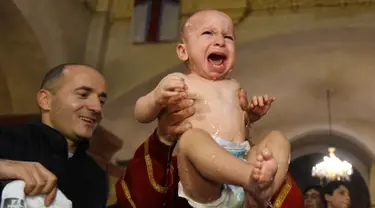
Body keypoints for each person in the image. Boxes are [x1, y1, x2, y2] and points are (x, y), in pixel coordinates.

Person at [132, 9, 290, 207]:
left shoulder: (234, 85)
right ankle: (252, 179)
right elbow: (140, 112)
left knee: (278, 138)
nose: (220, 41)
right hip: (204, 174)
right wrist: (156, 98)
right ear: (183, 51)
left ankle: (263, 193)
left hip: (241, 158)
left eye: (228, 37)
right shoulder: (180, 81)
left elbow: (240, 124)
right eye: (208, 33)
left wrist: (251, 114)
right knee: (191, 138)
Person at [115, 89, 304, 207]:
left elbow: (293, 201)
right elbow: (142, 199)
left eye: (233, 114)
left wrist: (262, 185)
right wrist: (163, 137)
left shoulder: (264, 166)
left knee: (277, 138)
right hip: (208, 196)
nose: (222, 125)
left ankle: (260, 192)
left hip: (254, 190)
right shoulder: (177, 166)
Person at [0, 64, 108, 207]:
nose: (97, 108)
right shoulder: (6, 139)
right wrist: (3, 167)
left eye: (101, 101)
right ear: (45, 100)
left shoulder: (96, 176)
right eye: (83, 94)